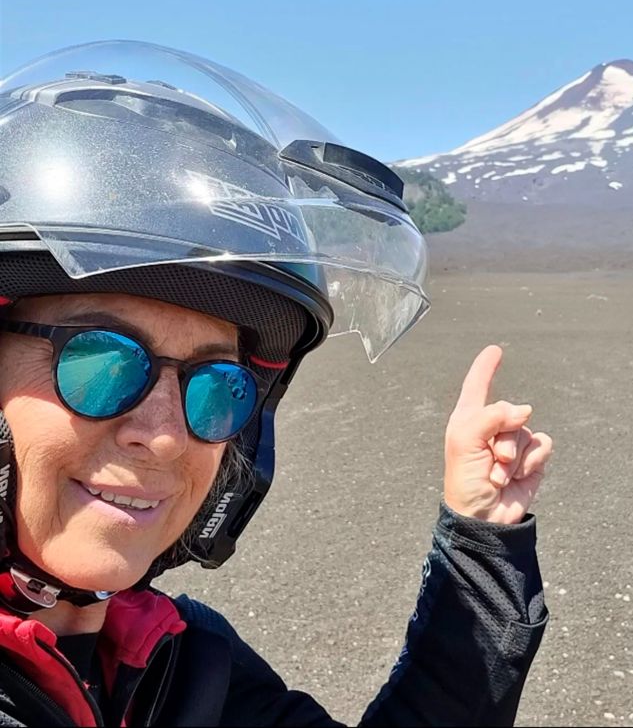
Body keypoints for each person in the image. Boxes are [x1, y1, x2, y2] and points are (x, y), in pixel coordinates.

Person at [0, 41, 553, 726]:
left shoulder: (179, 661)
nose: (167, 434)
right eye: (102, 363)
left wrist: (482, 533)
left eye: (216, 386)